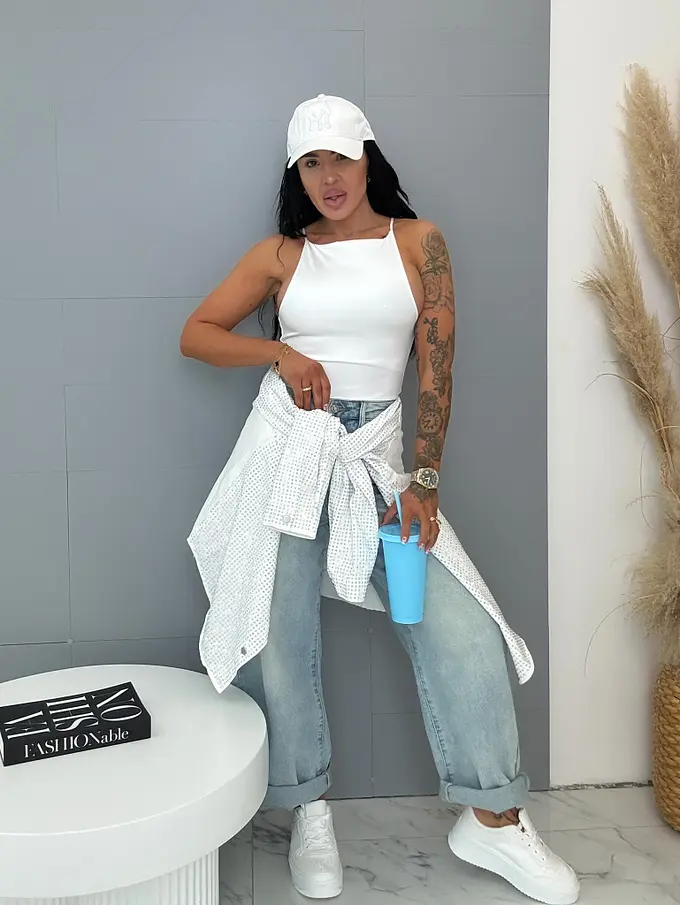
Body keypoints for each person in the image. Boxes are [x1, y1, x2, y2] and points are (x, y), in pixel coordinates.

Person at [180, 94, 579, 905]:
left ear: (369, 158)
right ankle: (309, 809)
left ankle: (493, 818)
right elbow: (197, 333)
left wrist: (424, 479)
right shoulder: (282, 255)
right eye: (311, 163)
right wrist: (280, 353)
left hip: (375, 462)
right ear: (296, 174)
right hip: (289, 451)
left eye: (342, 157)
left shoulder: (419, 242)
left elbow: (437, 371)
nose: (329, 177)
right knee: (280, 635)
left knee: (462, 627)